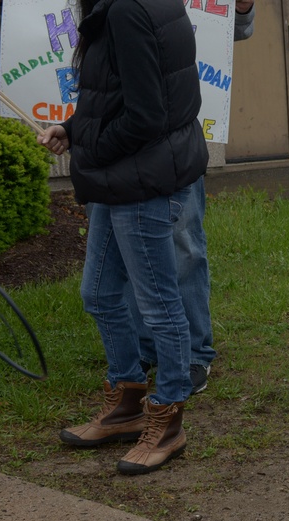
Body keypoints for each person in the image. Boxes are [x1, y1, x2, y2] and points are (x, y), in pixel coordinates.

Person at [39, 0, 208, 474]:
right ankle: (127, 403)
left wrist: (88, 147)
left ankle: (168, 418)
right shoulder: (125, 7)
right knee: (98, 292)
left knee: (157, 304)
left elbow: (148, 115)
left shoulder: (128, 10)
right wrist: (73, 128)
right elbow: (116, 94)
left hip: (141, 180)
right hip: (127, 176)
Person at [128, 0, 257, 395]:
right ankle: (145, 347)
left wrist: (245, 8)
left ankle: (193, 354)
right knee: (127, 245)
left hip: (176, 132)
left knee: (183, 244)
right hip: (119, 129)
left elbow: (232, 30)